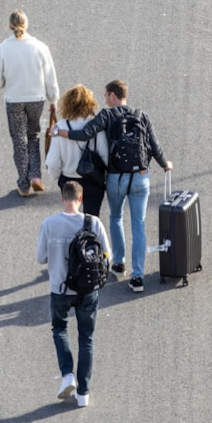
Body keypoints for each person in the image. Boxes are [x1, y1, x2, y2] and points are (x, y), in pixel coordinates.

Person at [60, 80, 171, 293]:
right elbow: (155, 147)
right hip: (140, 177)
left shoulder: (107, 115)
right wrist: (166, 164)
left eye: (105, 95)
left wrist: (61, 133)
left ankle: (119, 263)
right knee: (139, 224)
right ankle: (138, 277)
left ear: (112, 95)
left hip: (116, 178)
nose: (104, 98)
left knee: (116, 217)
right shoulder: (141, 116)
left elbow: (85, 134)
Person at [36, 180, 110, 407]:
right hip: (88, 289)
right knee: (86, 338)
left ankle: (67, 374)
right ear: (80, 199)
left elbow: (40, 258)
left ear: (62, 198)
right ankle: (84, 394)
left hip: (60, 288)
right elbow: (108, 255)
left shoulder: (49, 224)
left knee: (59, 328)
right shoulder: (93, 223)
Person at [0, 9, 59, 197]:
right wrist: (54, 99)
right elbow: (50, 77)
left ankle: (24, 183)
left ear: (10, 26)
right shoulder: (40, 47)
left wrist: (4, 83)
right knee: (34, 135)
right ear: (26, 25)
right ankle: (36, 175)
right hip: (37, 98)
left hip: (14, 99)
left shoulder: (3, 48)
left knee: (19, 140)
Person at [46, 84, 109, 215]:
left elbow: (52, 161)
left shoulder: (60, 127)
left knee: (71, 217)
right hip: (93, 178)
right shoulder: (95, 126)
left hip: (69, 179)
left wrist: (57, 176)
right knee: (92, 220)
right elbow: (104, 156)